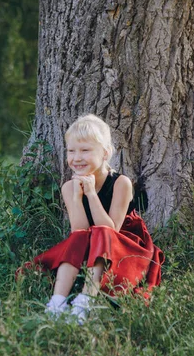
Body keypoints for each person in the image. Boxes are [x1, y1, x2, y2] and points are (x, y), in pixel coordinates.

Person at [20, 114, 164, 323]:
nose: (77, 158)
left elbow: (111, 229)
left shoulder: (121, 183)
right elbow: (79, 231)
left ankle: (85, 301)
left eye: (85, 150)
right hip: (92, 240)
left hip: (123, 244)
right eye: (71, 151)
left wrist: (91, 194)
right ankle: (57, 303)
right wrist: (78, 197)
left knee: (102, 232)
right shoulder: (69, 187)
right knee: (78, 237)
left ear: (105, 153)